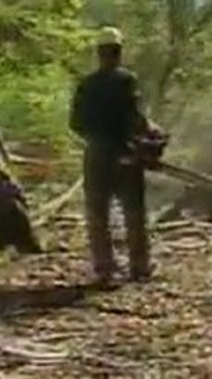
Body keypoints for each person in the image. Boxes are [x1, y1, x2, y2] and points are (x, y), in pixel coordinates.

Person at [69, 26, 163, 286]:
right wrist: (151, 134)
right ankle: (139, 266)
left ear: (99, 53)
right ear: (119, 52)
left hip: (96, 156)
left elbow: (75, 123)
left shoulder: (86, 85)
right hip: (126, 155)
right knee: (133, 212)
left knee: (98, 214)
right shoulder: (126, 80)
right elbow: (135, 118)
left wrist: (96, 138)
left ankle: (104, 268)